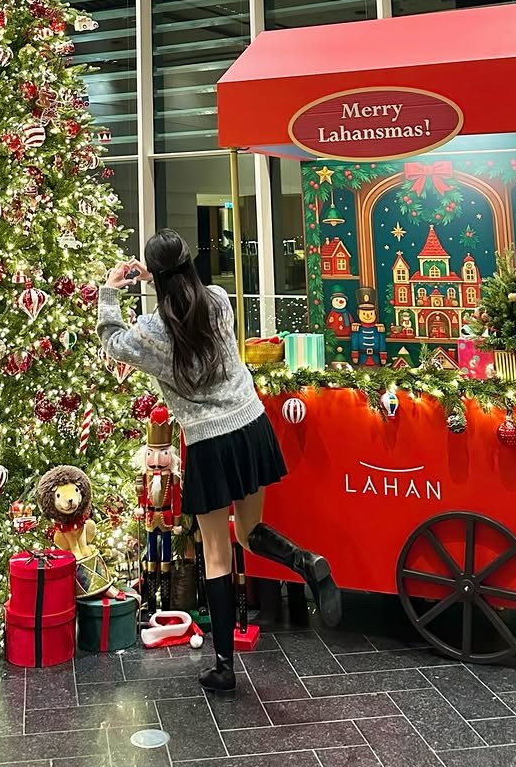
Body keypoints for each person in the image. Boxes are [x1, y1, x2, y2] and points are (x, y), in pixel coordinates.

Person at [97, 229, 341, 694]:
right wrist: (161, 275)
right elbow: (186, 295)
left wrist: (111, 290)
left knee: (216, 551)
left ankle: (224, 665)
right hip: (251, 425)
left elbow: (114, 341)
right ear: (189, 263)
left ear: (156, 276)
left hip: (210, 441)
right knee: (250, 532)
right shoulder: (218, 300)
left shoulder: (152, 332)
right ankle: (305, 561)